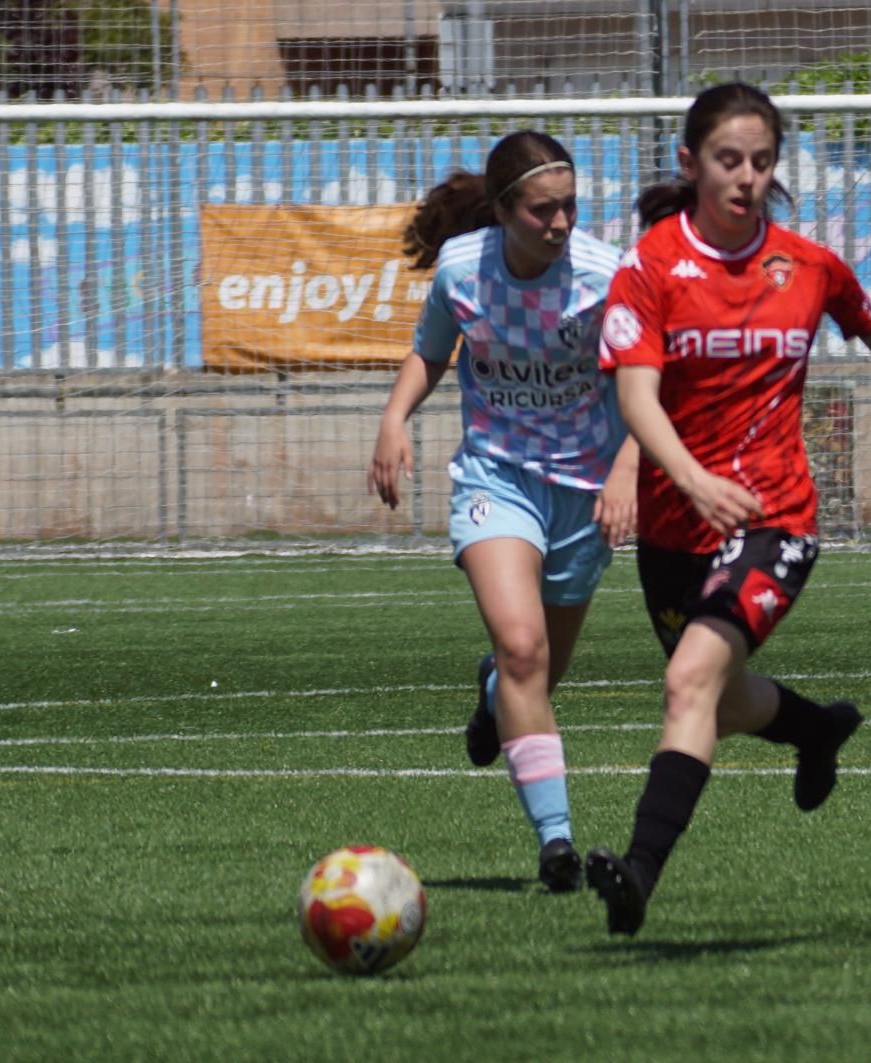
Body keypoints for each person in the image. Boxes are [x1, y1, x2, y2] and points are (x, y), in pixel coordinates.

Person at [587, 82, 871, 936]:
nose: (747, 177)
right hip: (675, 525)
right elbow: (636, 396)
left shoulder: (807, 266)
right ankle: (817, 728)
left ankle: (639, 873)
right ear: (690, 163)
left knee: (687, 682)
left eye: (762, 161)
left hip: (775, 517)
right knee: (720, 700)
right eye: (728, 160)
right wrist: (689, 479)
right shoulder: (651, 266)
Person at [367, 130, 639, 893]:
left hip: (586, 490)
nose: (561, 224)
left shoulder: (606, 276)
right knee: (523, 649)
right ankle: (556, 842)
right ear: (502, 210)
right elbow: (431, 350)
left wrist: (628, 466)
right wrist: (394, 417)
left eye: (570, 207)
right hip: (497, 478)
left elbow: (647, 380)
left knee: (534, 675)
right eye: (543, 210)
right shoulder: (462, 268)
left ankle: (495, 697)